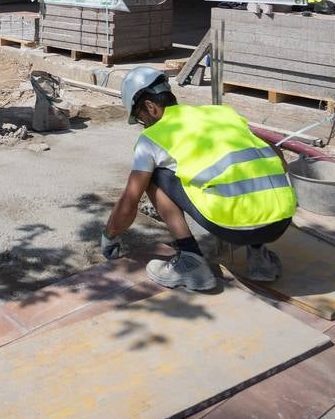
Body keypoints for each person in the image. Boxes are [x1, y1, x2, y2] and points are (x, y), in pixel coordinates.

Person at [100, 67, 296, 291]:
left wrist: (110, 235)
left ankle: (190, 259)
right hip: (281, 221)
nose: (143, 125)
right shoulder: (220, 113)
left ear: (150, 107)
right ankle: (260, 259)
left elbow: (130, 200)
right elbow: (276, 155)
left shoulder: (152, 137)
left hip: (235, 227)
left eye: (140, 118)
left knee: (152, 175)